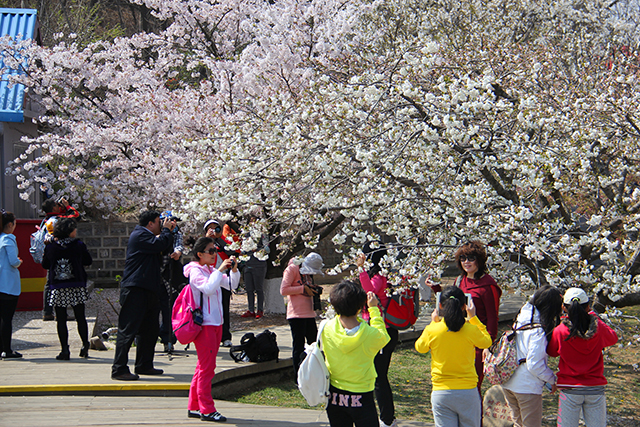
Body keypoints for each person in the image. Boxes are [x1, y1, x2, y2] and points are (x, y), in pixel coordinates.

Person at [111, 210, 175, 381]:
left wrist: (169, 233)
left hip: (150, 288)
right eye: (159, 222)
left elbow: (164, 248)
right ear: (150, 224)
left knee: (150, 330)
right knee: (128, 330)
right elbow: (159, 245)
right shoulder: (139, 235)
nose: (161, 225)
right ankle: (119, 369)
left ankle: (144, 364)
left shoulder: (151, 237)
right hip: (135, 289)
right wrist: (167, 231)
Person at [415, 286, 492, 427]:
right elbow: (486, 341)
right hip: (468, 391)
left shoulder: (433, 330)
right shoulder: (470, 329)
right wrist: (474, 318)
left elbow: (420, 348)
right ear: (464, 306)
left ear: (439, 305)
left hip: (441, 391)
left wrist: (433, 323)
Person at [184, 237, 240, 422]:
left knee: (203, 366)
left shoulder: (210, 270)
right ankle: (207, 409)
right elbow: (207, 289)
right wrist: (220, 270)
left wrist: (233, 269)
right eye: (210, 251)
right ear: (199, 254)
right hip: (205, 325)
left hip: (216, 323)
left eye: (215, 251)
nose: (214, 255)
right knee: (208, 368)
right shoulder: (195, 271)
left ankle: (194, 406)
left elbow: (231, 284)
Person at [321, 280, 390, 427]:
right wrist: (374, 309)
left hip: (334, 394)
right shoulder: (369, 334)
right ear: (360, 307)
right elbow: (383, 336)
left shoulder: (326, 328)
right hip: (362, 395)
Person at [547, 287, 618, 427]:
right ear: (588, 306)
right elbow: (613, 338)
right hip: (595, 387)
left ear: (564, 307)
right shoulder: (598, 329)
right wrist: (594, 317)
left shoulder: (560, 331)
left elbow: (552, 352)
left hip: (570, 388)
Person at [502, 285, 563, 427]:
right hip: (526, 387)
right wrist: (551, 379)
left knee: (518, 424)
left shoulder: (520, 321)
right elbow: (534, 363)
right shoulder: (537, 330)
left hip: (509, 382)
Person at [355, 242, 398, 427]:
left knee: (379, 377)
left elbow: (369, 290)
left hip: (382, 329)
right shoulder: (379, 274)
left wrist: (361, 270)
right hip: (372, 327)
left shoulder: (380, 276)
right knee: (374, 376)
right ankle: (384, 416)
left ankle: (387, 419)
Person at [42, 218, 92, 360]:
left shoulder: (51, 247)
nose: (76, 231)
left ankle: (65, 350)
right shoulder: (78, 245)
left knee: (61, 319)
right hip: (76, 284)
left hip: (58, 286)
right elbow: (88, 261)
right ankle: (84, 345)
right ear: (70, 231)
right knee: (80, 317)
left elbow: (45, 265)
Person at [454, 240, 502, 390]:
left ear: (479, 261)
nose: (466, 262)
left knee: (473, 385)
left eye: (471, 258)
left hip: (477, 342)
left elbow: (493, 317)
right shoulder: (459, 280)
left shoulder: (488, 285)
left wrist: (488, 345)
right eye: (463, 258)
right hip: (460, 339)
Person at [280, 252, 324, 376]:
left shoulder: (308, 273)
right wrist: (302, 289)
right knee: (298, 346)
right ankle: (298, 376)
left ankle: (313, 374)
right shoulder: (292, 269)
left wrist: (313, 288)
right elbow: (283, 290)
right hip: (296, 314)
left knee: (314, 345)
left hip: (309, 313)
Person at [41, 197, 80, 321]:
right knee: (62, 281)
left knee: (49, 283)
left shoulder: (45, 221)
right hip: (61, 252)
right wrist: (67, 206)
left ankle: (47, 312)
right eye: (57, 205)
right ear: (53, 208)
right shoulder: (59, 219)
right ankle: (61, 312)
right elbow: (76, 216)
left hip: (49, 252)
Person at [204, 219, 239, 346]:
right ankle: (210, 336)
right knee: (209, 309)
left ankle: (225, 337)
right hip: (209, 278)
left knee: (224, 307)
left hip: (223, 278)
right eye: (210, 228)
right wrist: (208, 240)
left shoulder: (223, 240)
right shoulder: (204, 243)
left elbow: (232, 251)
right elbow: (199, 254)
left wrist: (219, 239)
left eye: (216, 228)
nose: (214, 231)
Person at [159, 211, 186, 353]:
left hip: (170, 278)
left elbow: (179, 246)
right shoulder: (157, 234)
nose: (171, 223)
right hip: (155, 277)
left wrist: (177, 253)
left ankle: (168, 339)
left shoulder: (176, 234)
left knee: (168, 309)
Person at [0, 210, 23, 359]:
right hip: (8, 284)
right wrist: (19, 262)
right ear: (10, 224)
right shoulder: (8, 239)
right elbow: (13, 261)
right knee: (6, 319)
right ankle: (7, 350)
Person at [239, 222, 269, 320]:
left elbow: (267, 249)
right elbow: (242, 249)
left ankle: (260, 309)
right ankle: (250, 310)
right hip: (248, 265)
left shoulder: (263, 234)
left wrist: (258, 249)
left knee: (259, 289)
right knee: (249, 289)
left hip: (259, 265)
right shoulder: (246, 235)